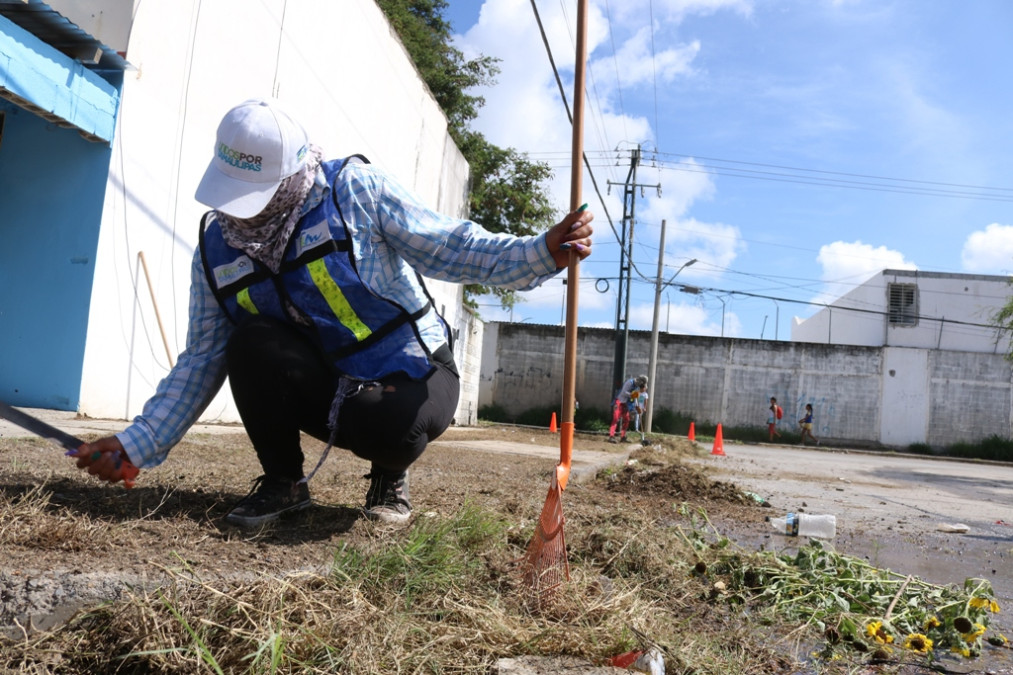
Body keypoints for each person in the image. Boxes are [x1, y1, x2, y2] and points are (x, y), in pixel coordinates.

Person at [69, 98, 594, 527]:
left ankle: (389, 475)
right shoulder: (216, 247)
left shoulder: (350, 191)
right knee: (246, 341)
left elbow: (447, 245)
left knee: (395, 432)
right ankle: (284, 483)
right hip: (328, 378)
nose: (237, 211)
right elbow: (201, 358)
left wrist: (538, 251)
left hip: (410, 369)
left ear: (293, 172)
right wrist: (137, 443)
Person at [608, 374, 647, 443]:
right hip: (619, 401)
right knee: (616, 419)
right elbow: (624, 392)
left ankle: (623, 437)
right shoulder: (630, 382)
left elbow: (635, 398)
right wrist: (632, 395)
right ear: (640, 381)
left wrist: (636, 407)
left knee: (627, 420)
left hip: (625, 404)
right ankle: (611, 436)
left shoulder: (636, 387)